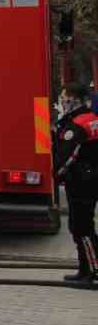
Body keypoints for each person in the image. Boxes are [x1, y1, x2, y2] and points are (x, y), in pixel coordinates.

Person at [54, 83, 98, 288]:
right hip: (89, 179)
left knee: (82, 228)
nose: (62, 101)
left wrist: (54, 176)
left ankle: (92, 272)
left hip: (81, 182)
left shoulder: (76, 125)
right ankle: (85, 270)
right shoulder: (91, 118)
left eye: (65, 97)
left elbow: (67, 157)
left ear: (75, 99)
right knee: (81, 226)